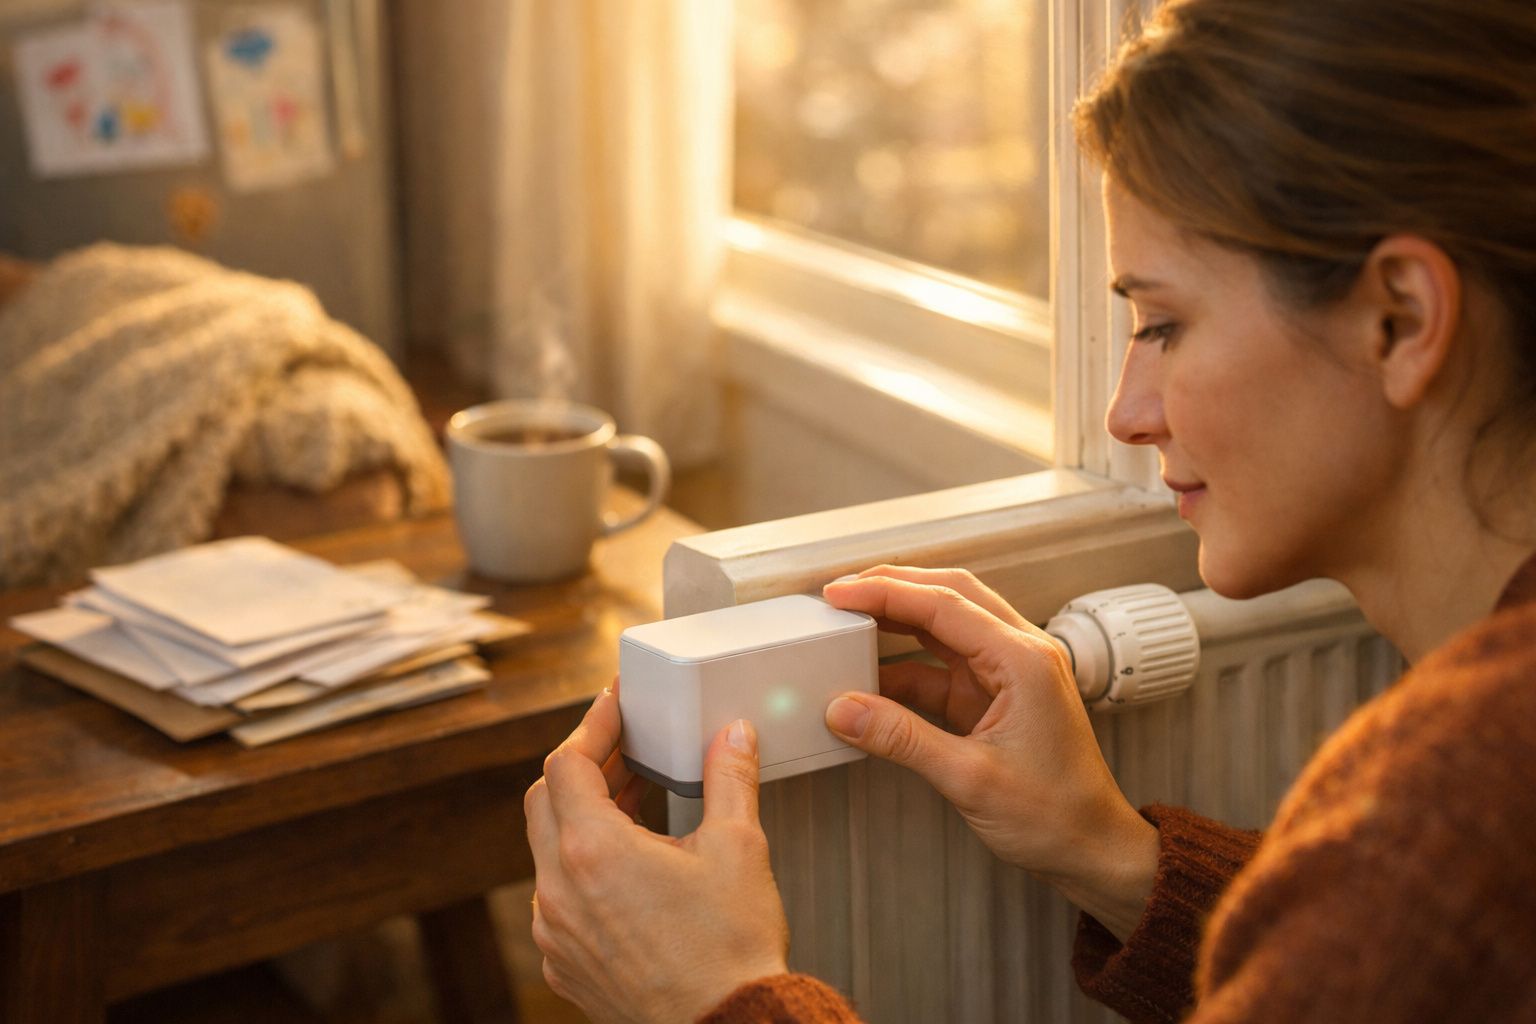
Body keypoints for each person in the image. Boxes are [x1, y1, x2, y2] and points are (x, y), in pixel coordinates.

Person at [522, 0, 1536, 1019]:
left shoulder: (1455, 813)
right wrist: (1109, 851)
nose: (1127, 413)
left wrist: (713, 996)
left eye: (1167, 324)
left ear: (1398, 318)